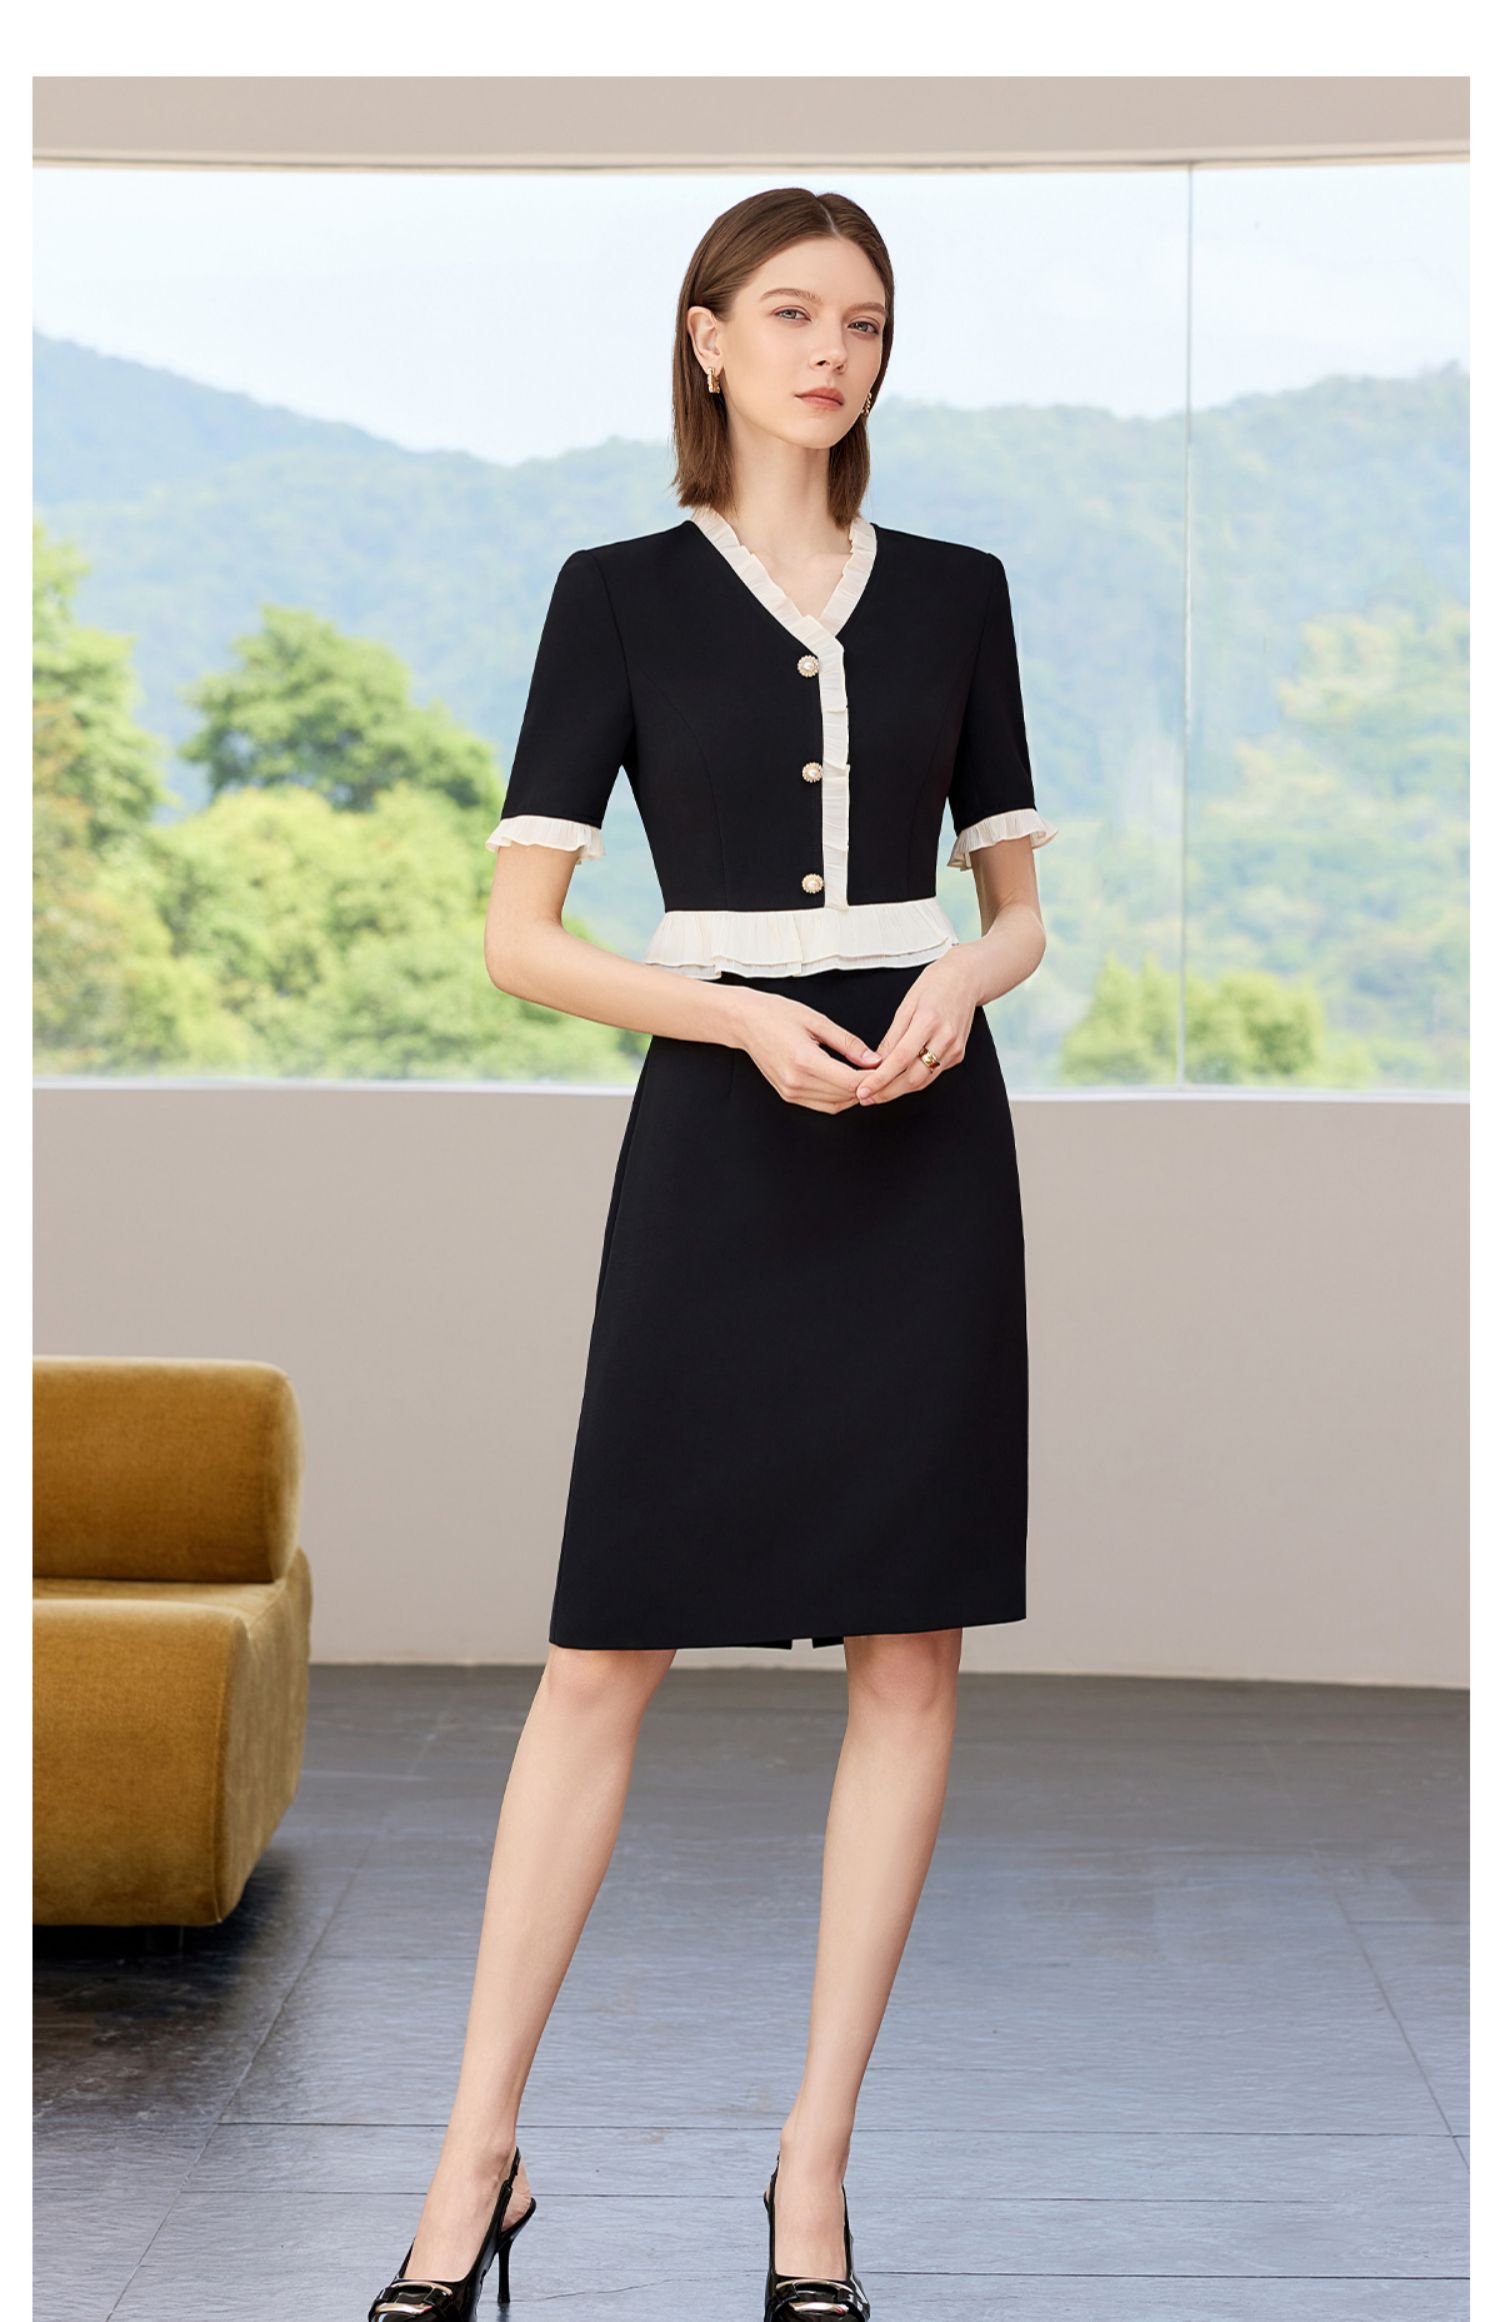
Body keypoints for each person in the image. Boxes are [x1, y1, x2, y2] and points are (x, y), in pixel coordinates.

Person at [365, 183, 1056, 2322]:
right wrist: (738, 1015)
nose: (832, 353)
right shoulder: (617, 596)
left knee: (912, 1654)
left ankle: (813, 2169)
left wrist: (964, 986)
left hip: (928, 1152)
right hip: (717, 1135)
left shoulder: (962, 593)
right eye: (793, 314)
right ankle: (474, 2160)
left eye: (866, 322)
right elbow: (521, 937)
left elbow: (1018, 907)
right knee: (605, 1656)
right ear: (709, 337)